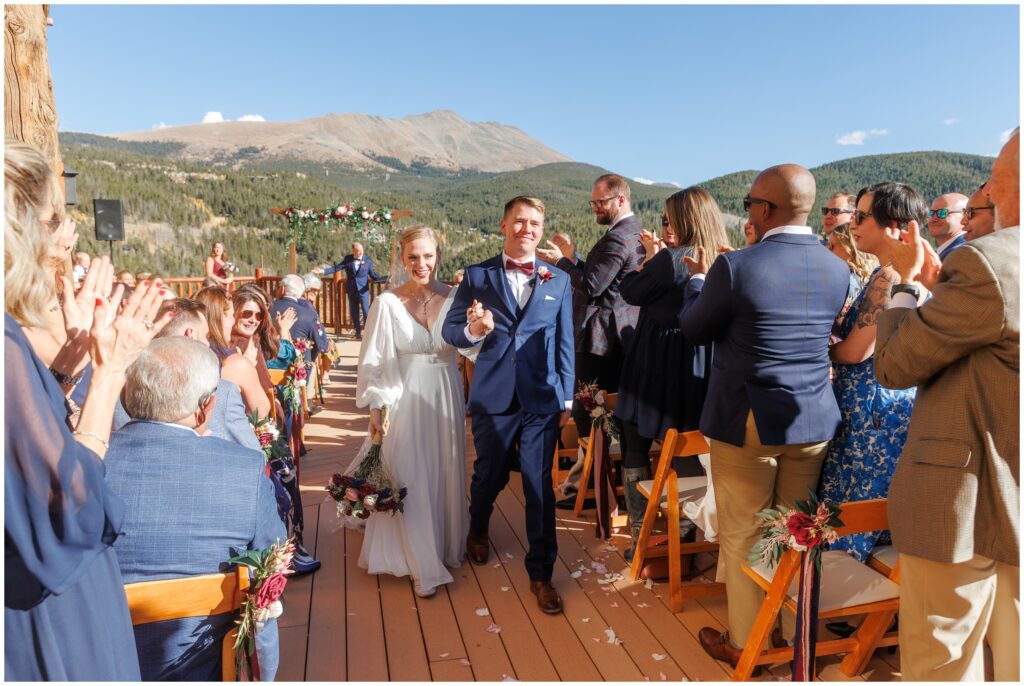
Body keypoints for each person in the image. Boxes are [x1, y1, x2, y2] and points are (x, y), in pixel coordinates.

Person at [4, 138, 170, 680]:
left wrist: (61, 376)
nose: (62, 238)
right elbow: (64, 506)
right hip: (49, 616)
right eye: (54, 220)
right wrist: (110, 376)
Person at [678, 164, 851, 669]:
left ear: (766, 209)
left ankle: (748, 643)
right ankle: (787, 629)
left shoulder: (736, 268)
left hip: (749, 418)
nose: (748, 208)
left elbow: (694, 329)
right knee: (792, 530)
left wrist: (696, 282)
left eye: (751, 201)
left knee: (746, 531)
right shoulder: (837, 268)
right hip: (813, 418)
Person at [874, 129, 1019, 682]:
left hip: (966, 501)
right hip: (1014, 490)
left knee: (943, 660)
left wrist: (908, 285)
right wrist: (942, 287)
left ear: (1002, 188)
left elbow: (894, 365)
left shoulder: (991, 261)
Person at [104, 337, 285, 681]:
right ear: (206, 407)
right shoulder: (244, 470)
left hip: (101, 663)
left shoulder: (81, 468)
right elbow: (272, 565)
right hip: (206, 666)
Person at [442, 197, 575, 614]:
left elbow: (565, 340)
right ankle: (477, 528)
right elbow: (451, 331)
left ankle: (541, 574)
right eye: (520, 221)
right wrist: (473, 328)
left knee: (538, 487)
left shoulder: (558, 280)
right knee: (489, 473)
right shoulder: (479, 276)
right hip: (494, 395)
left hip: (542, 397)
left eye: (535, 223)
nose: (527, 229)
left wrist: (567, 395)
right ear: (504, 225)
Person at [355, 225, 468, 598]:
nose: (422, 264)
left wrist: (481, 330)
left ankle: (440, 545)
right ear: (402, 259)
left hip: (445, 394)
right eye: (413, 257)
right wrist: (377, 404)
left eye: (428, 255)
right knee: (411, 472)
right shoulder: (386, 303)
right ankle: (421, 565)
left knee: (442, 468)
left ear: (438, 255)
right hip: (403, 398)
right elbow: (375, 360)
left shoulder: (456, 298)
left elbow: (474, 350)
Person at [615, 188, 727, 561]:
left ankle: (642, 540)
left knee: (636, 441)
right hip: (698, 362)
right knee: (687, 447)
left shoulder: (672, 259)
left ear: (685, 221)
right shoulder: (722, 258)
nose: (665, 225)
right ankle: (689, 543)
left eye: (668, 218)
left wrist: (649, 257)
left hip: (656, 361)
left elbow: (629, 290)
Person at [821, 183, 924, 563]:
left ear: (893, 225)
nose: (855, 224)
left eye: (862, 217)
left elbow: (856, 351)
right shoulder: (893, 272)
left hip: (870, 409)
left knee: (856, 499)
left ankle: (853, 599)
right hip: (881, 402)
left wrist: (814, 351)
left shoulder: (889, 277)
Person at [537, 173, 643, 434]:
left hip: (600, 340)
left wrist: (560, 262)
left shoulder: (617, 238)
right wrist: (573, 259)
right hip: (615, 335)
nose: (595, 208)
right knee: (601, 411)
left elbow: (592, 286)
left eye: (600, 202)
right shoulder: (631, 231)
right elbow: (601, 277)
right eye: (592, 203)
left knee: (589, 410)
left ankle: (597, 469)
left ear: (620, 200)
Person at [147, 298, 262, 452]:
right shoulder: (223, 392)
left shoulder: (121, 393)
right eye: (207, 336)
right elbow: (254, 455)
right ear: (191, 335)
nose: (208, 344)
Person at [194, 286, 271, 419]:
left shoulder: (186, 349)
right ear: (219, 317)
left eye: (259, 316)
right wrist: (248, 367)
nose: (233, 320)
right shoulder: (236, 361)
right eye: (231, 315)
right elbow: (261, 412)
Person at [322, 242, 388, 340]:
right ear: (353, 251)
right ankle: (358, 333)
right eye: (358, 251)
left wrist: (388, 277)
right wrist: (323, 271)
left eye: (361, 250)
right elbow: (337, 267)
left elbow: (374, 277)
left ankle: (370, 333)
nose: (360, 252)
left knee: (367, 312)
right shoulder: (348, 259)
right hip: (351, 290)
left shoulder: (367, 261)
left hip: (363, 291)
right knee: (354, 312)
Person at [272, 274, 326, 363]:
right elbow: (320, 345)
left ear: (282, 289)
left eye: (278, 287)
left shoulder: (266, 309)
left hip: (271, 364)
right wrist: (311, 360)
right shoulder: (309, 314)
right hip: (301, 368)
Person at [927, 192, 968, 261]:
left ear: (965, 216)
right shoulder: (947, 251)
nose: (933, 219)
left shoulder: (962, 253)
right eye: (931, 213)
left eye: (942, 213)